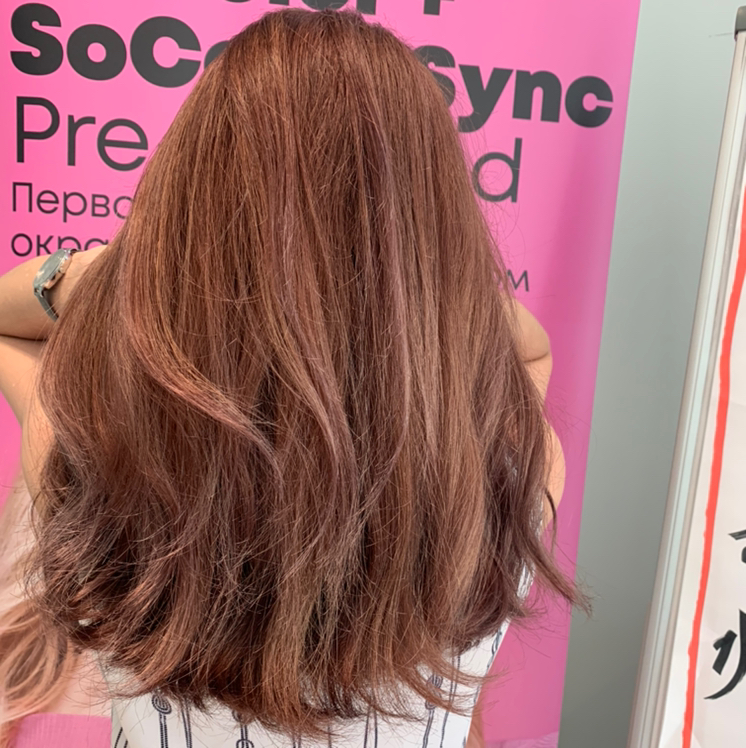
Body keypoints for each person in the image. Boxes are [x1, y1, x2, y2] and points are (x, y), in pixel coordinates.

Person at [0, 8, 579, 748]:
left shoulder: (93, 456)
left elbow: (9, 324)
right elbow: (529, 352)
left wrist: (109, 273)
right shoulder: (515, 472)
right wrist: (428, 293)